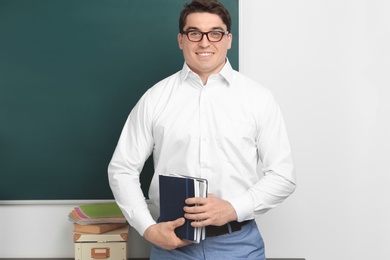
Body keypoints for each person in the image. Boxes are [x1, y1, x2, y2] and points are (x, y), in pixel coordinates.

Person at [108, 0, 296, 259]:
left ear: (228, 39)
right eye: (194, 33)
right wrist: (148, 228)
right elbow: (122, 169)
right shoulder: (155, 98)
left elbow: (283, 176)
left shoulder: (258, 98)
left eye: (215, 33)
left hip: (240, 245)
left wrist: (232, 208)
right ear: (181, 40)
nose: (205, 42)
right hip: (172, 246)